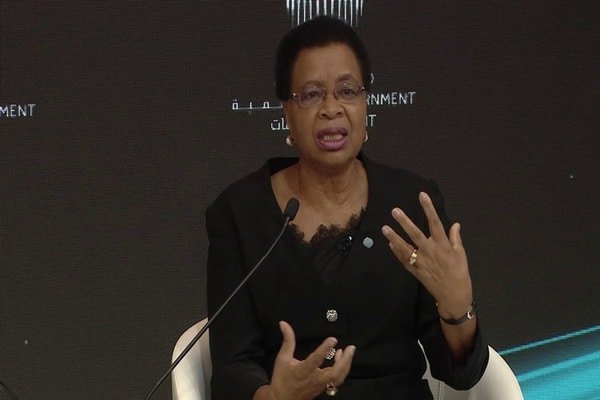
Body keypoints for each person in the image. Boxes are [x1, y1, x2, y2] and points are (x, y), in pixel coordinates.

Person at [207, 16, 488, 400]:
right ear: (286, 111)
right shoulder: (239, 213)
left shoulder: (411, 202)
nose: (331, 108)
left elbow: (460, 373)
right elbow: (231, 368)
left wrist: (457, 310)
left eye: (347, 91)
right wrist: (274, 397)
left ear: (365, 101)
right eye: (311, 95)